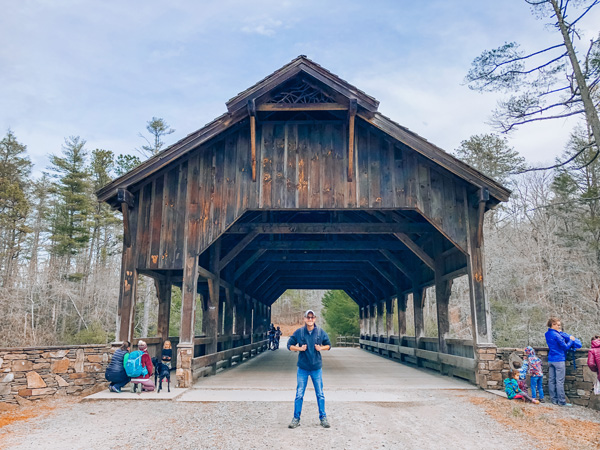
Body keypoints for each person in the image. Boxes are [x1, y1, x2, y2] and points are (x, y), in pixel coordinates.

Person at [287, 309, 331, 429]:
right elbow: (289, 345)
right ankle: (296, 418)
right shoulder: (299, 332)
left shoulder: (320, 332)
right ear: (305, 319)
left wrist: (321, 348)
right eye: (308, 317)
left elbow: (329, 345)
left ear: (315, 319)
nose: (310, 319)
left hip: (316, 368)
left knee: (320, 394)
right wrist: (299, 349)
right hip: (303, 368)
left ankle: (323, 418)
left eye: (312, 317)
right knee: (299, 394)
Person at [545, 317, 576, 406]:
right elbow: (565, 347)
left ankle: (553, 400)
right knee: (559, 381)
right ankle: (561, 401)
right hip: (559, 359)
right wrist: (571, 340)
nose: (559, 326)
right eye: (558, 325)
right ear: (553, 324)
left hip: (551, 359)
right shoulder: (557, 335)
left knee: (551, 380)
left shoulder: (547, 334)